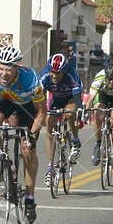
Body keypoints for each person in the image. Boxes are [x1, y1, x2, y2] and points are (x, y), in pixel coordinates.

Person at [0, 43, 46, 223]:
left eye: (8, 70)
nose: (4, 73)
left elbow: (41, 112)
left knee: (27, 150)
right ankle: (4, 162)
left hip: (27, 107)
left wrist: (32, 135)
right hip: (4, 100)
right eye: (1, 69)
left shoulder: (30, 79)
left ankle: (29, 198)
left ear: (17, 69)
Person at [38, 51, 83, 187]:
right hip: (56, 99)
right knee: (49, 124)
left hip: (70, 98)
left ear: (64, 71)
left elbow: (77, 99)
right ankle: (50, 168)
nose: (54, 75)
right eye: (52, 72)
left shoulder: (71, 75)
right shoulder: (45, 75)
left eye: (58, 73)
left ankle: (75, 141)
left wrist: (79, 112)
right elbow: (38, 95)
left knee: (69, 114)